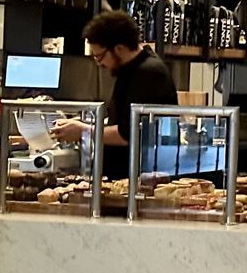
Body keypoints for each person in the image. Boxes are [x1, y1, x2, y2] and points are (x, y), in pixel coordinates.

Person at [52, 10, 178, 177]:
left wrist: (84, 131)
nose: (99, 63)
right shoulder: (130, 70)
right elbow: (122, 121)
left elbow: (129, 134)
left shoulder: (149, 73)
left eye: (100, 56)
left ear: (119, 48)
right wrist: (85, 123)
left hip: (138, 181)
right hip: (124, 179)